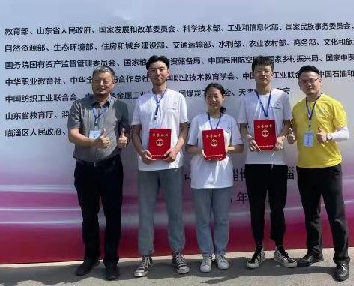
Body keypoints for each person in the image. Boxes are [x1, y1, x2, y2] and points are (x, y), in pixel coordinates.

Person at [67, 65, 129, 281]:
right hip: (85, 169)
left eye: (105, 80)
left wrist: (124, 141)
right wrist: (93, 142)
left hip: (111, 168)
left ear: (113, 83)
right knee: (88, 215)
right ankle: (91, 257)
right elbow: (72, 135)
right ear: (91, 82)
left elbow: (125, 133)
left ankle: (111, 261)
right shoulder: (79, 105)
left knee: (113, 215)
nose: (101, 84)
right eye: (97, 80)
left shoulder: (120, 106)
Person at [289, 65, 350, 282]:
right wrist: (291, 137)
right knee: (311, 214)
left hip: (329, 167)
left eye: (312, 80)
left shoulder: (332, 104)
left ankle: (342, 259)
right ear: (299, 84)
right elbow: (294, 131)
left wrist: (330, 136)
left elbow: (346, 132)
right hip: (305, 168)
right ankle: (314, 252)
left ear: (320, 81)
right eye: (304, 81)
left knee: (336, 217)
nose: (309, 84)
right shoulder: (297, 108)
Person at [130, 55, 190, 278]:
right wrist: (141, 152)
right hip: (147, 165)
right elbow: (135, 132)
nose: (157, 73)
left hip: (171, 163)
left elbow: (184, 129)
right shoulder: (141, 101)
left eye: (161, 69)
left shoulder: (178, 98)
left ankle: (177, 253)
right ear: (148, 74)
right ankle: (146, 255)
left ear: (168, 72)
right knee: (145, 213)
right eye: (153, 70)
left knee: (175, 212)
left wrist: (175, 150)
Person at [238, 56, 297, 269]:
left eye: (266, 70)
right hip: (254, 163)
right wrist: (249, 139)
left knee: (278, 208)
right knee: (256, 208)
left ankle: (279, 248)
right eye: (259, 70)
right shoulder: (246, 99)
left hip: (277, 163)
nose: (263, 74)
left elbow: (288, 123)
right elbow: (242, 126)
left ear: (272, 73)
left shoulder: (282, 96)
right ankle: (258, 248)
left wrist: (281, 137)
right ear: (253, 73)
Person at [186, 83, 244, 273]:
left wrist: (223, 149)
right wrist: (202, 151)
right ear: (205, 99)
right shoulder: (198, 120)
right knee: (203, 219)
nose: (213, 99)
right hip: (201, 178)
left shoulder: (229, 121)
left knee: (221, 219)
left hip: (222, 178)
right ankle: (206, 255)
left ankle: (220, 254)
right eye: (209, 96)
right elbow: (189, 147)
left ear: (223, 98)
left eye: (216, 96)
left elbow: (239, 147)